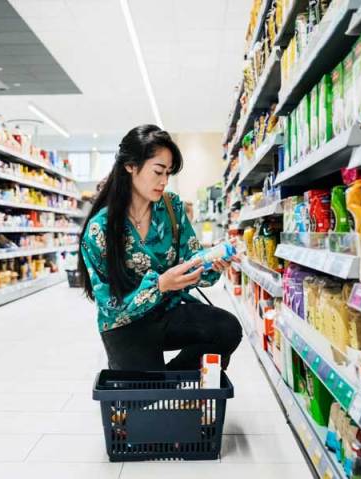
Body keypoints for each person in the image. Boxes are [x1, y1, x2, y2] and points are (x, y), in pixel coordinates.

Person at [77, 125, 242, 371]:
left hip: (168, 312)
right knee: (142, 401)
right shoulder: (100, 229)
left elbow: (191, 257)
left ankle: (177, 383)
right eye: (158, 172)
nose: (164, 181)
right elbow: (110, 306)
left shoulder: (172, 207)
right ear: (130, 166)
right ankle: (163, 383)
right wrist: (161, 285)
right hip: (126, 324)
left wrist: (210, 263)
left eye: (168, 173)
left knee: (227, 329)